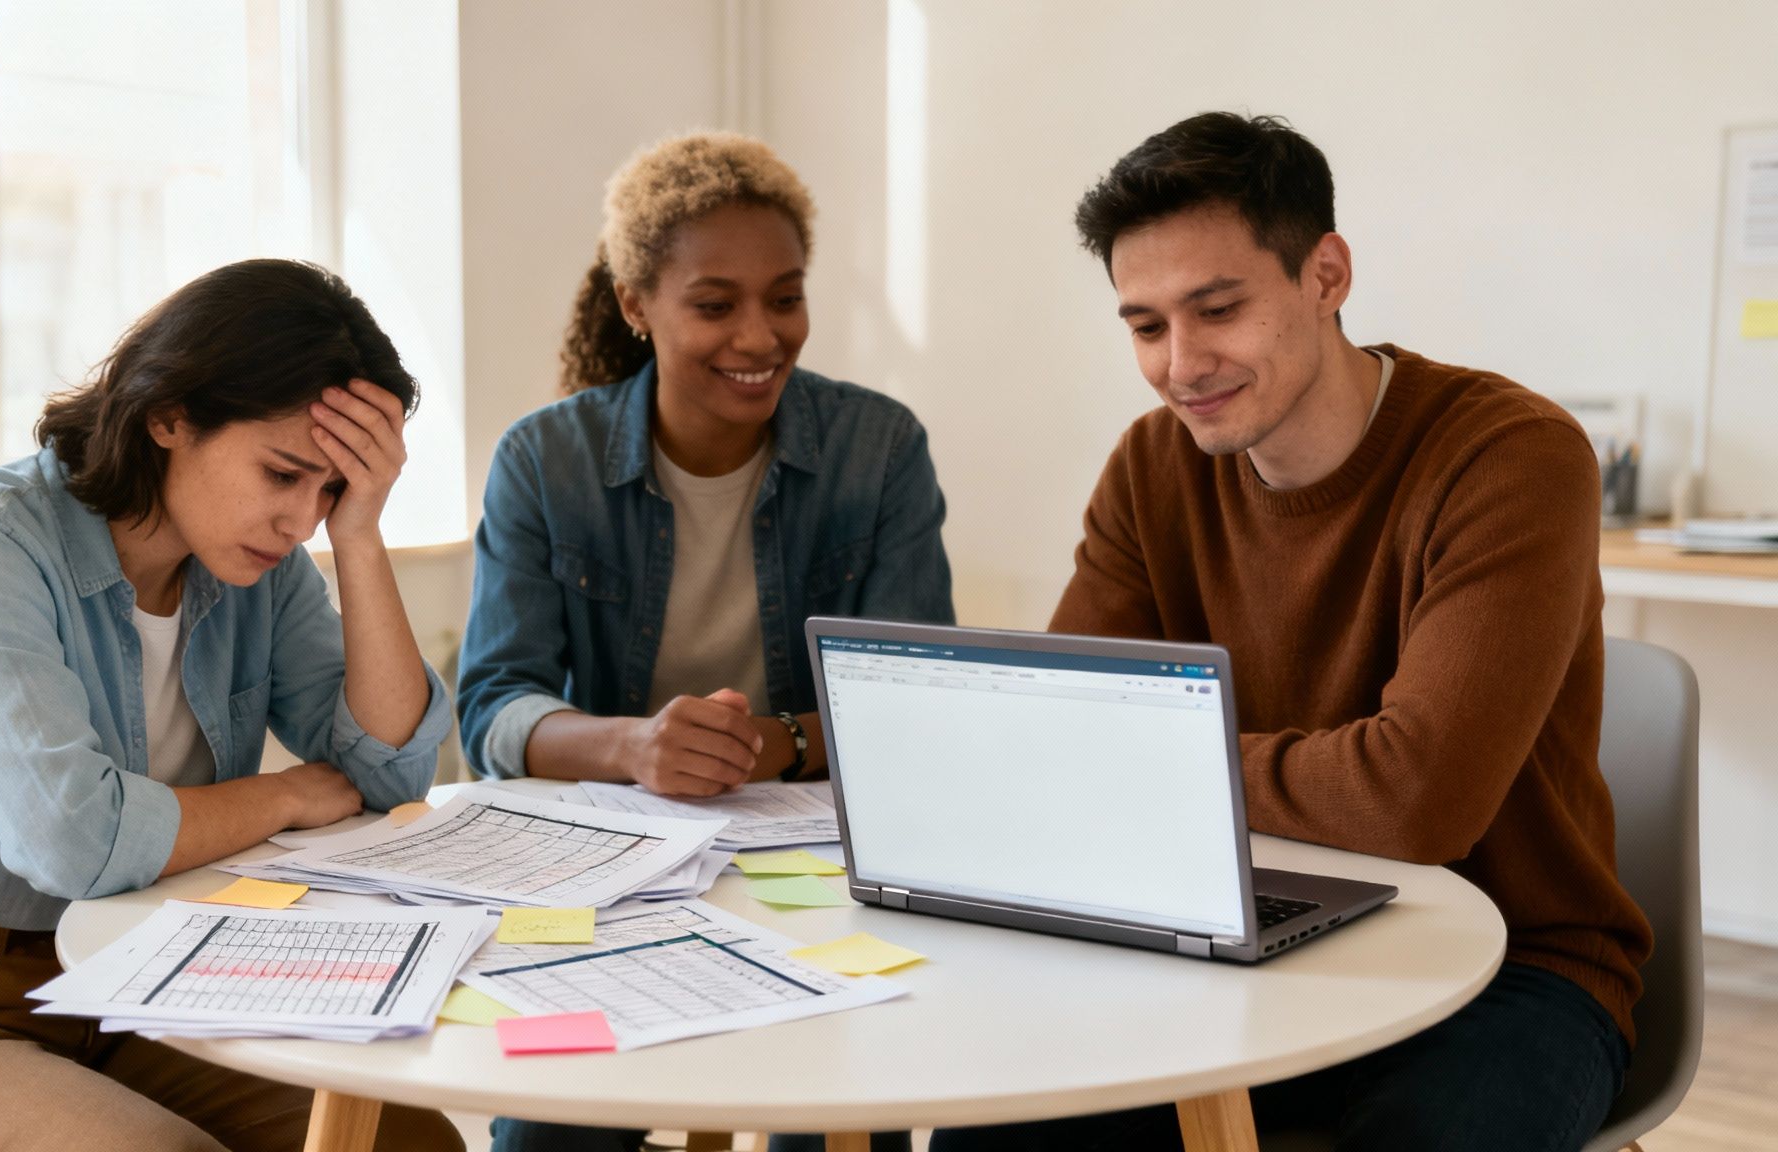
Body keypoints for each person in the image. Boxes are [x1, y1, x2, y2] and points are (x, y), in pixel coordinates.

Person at [933, 113, 1651, 1152]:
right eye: (1143, 326)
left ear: (1326, 274)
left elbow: (1414, 804)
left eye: (1216, 308)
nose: (1180, 365)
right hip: (1229, 938)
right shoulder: (1152, 469)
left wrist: (1155, 757)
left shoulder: (1510, 457)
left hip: (1510, 968)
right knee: (992, 1130)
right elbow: (1062, 739)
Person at [0, 259, 464, 1151]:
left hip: (142, 979)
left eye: (330, 490)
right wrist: (284, 796)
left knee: (406, 1141)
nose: (300, 521)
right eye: (284, 473)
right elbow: (73, 839)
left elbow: (387, 771)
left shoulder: (265, 566)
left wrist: (361, 534)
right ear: (168, 415)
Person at [457, 131, 945, 1152]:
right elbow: (493, 708)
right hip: (616, 871)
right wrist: (630, 746)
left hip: (816, 867)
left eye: (785, 296)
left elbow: (919, 707)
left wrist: (783, 744)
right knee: (552, 1136)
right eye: (714, 304)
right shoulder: (544, 460)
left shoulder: (878, 448)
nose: (759, 336)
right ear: (636, 304)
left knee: (841, 1113)